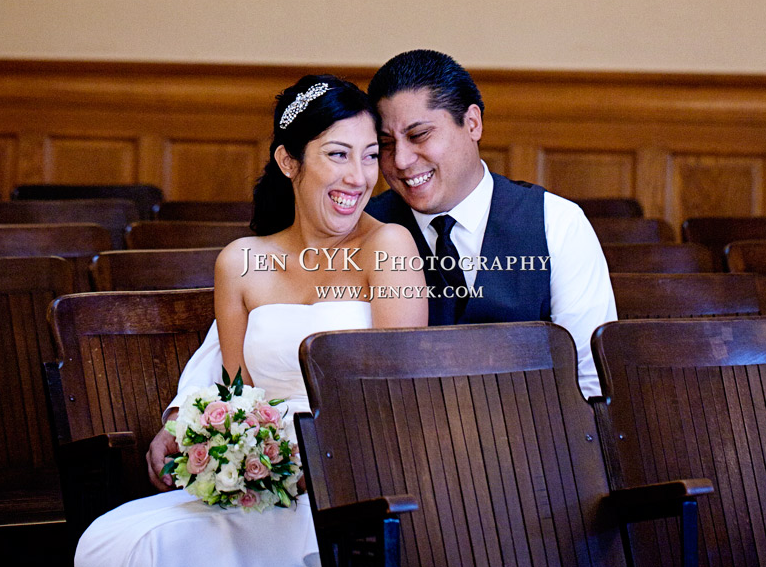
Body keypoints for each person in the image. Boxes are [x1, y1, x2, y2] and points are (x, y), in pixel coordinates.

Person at [75, 75, 427, 567]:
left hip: (350, 479)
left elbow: (393, 395)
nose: (359, 177)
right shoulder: (242, 262)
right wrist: (227, 449)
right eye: (337, 155)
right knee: (113, 544)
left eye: (370, 156)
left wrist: (302, 461)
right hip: (265, 479)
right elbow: (234, 395)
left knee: (165, 555)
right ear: (289, 161)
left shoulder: (390, 245)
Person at [148, 50, 617, 490]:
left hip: (528, 464)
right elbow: (243, 337)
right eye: (385, 145)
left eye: (419, 136)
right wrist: (182, 414)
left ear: (472, 122)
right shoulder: (356, 223)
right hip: (395, 469)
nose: (401, 162)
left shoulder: (555, 222)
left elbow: (592, 374)